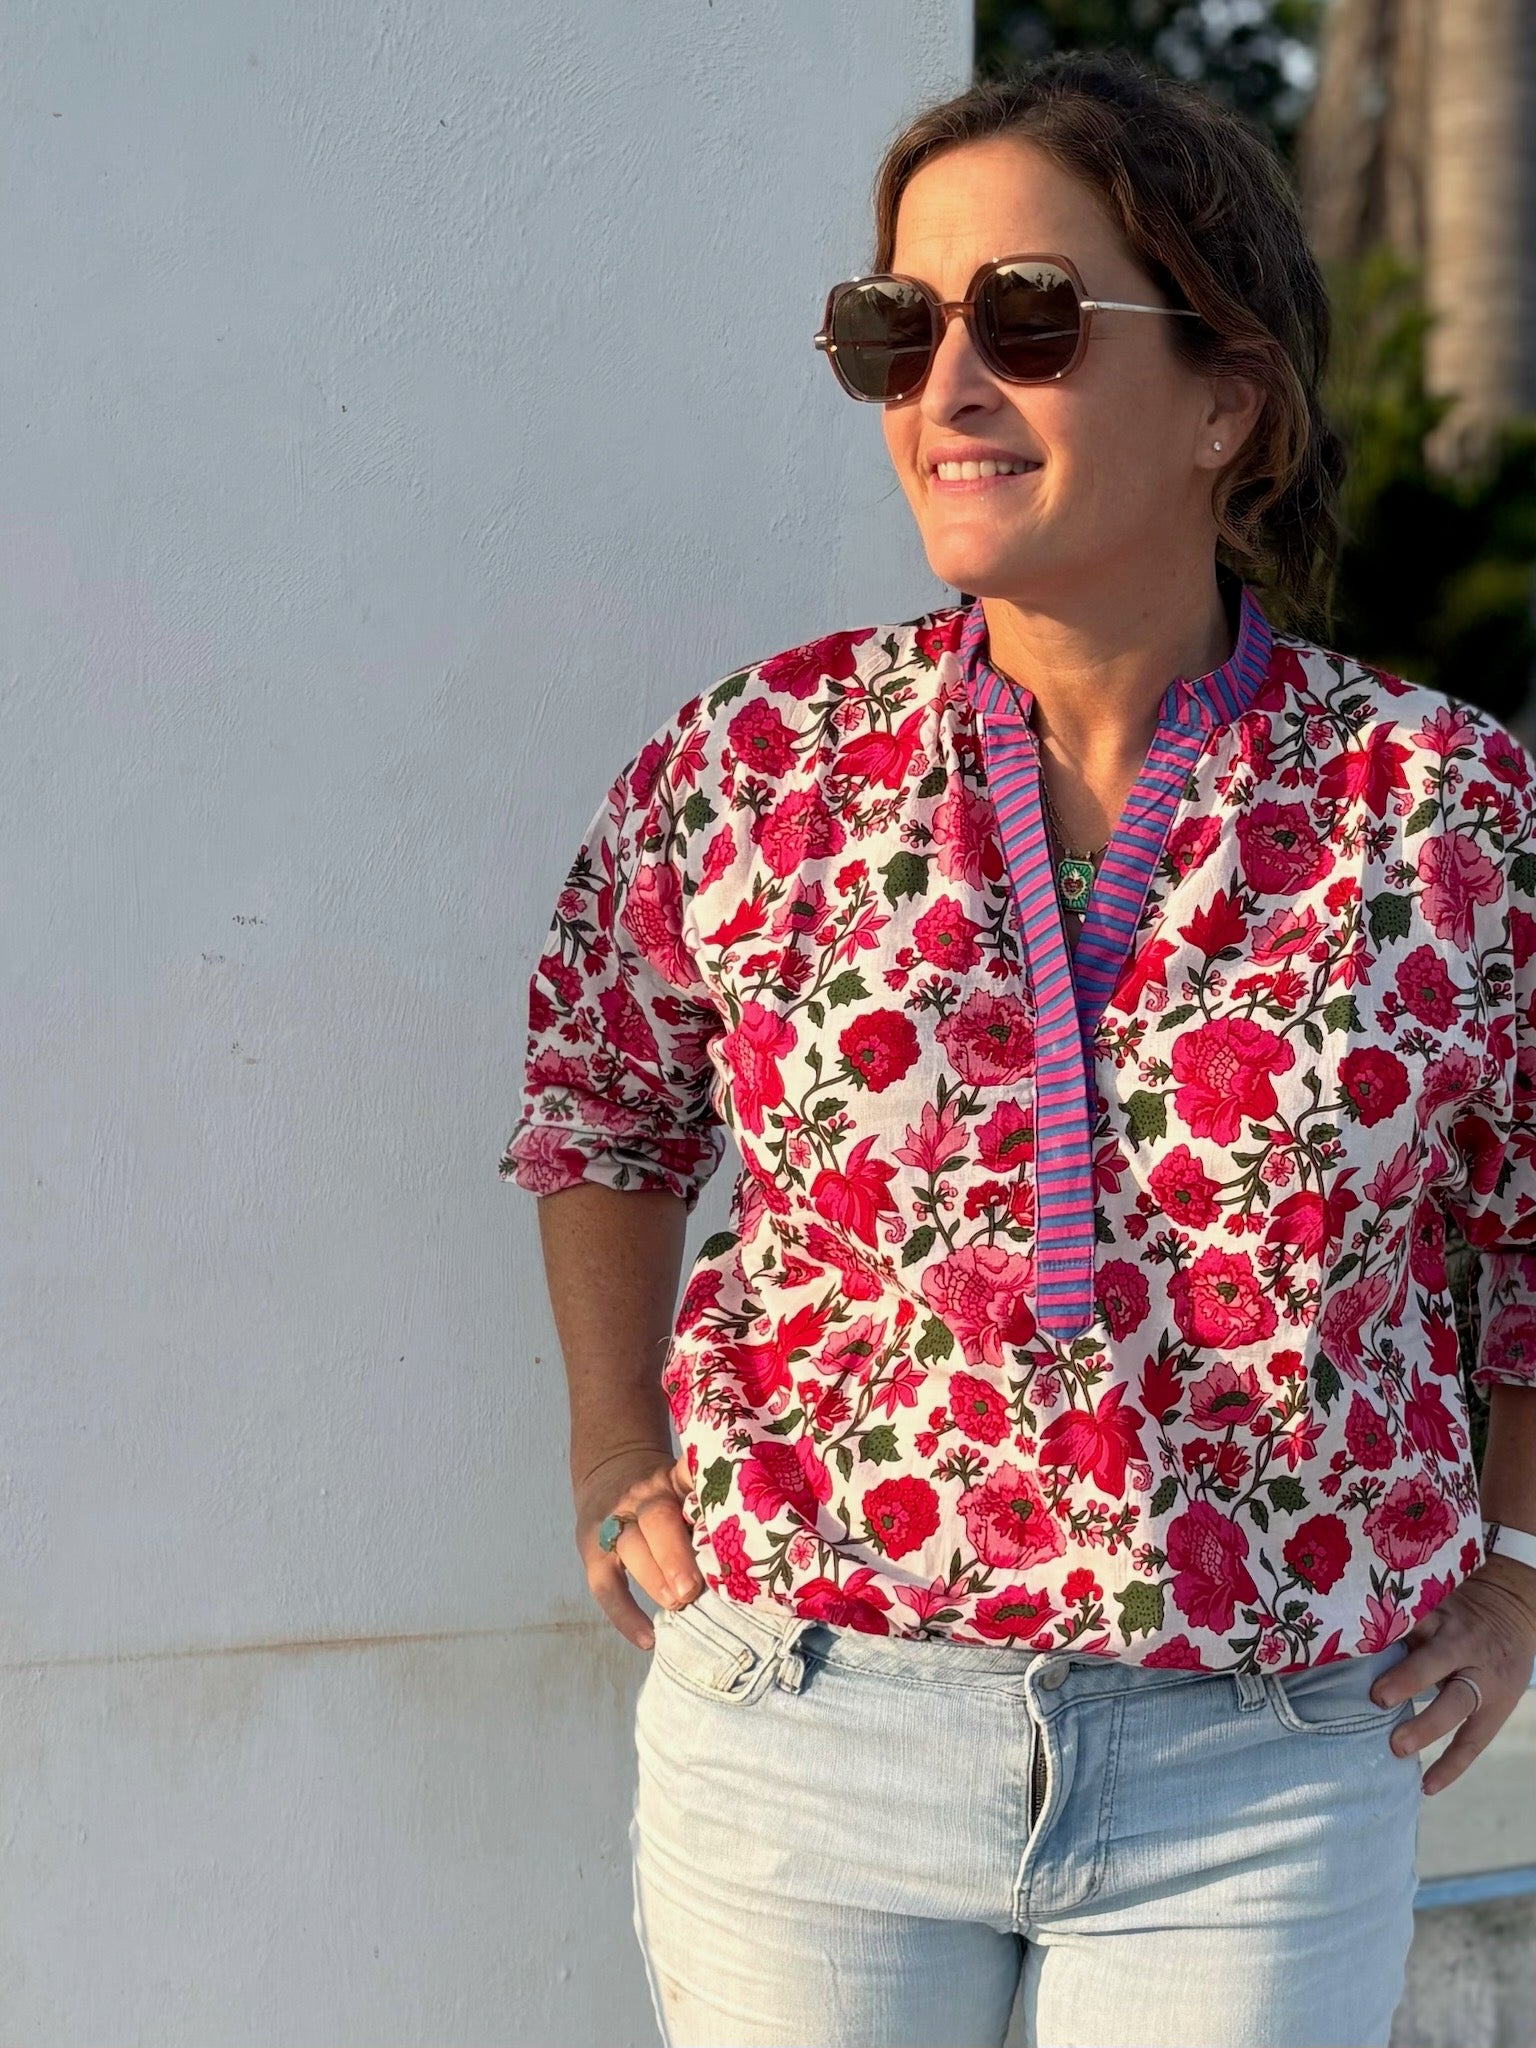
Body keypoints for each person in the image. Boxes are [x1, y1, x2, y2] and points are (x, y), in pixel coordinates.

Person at [499, 51, 1536, 2048]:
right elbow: (601, 1102)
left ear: (1228, 400)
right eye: (898, 330)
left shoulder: (1442, 810)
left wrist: (1516, 1571)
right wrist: (616, 1448)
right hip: (810, 1732)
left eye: (1032, 319)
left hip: (1267, 1760)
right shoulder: (758, 766)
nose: (949, 387)